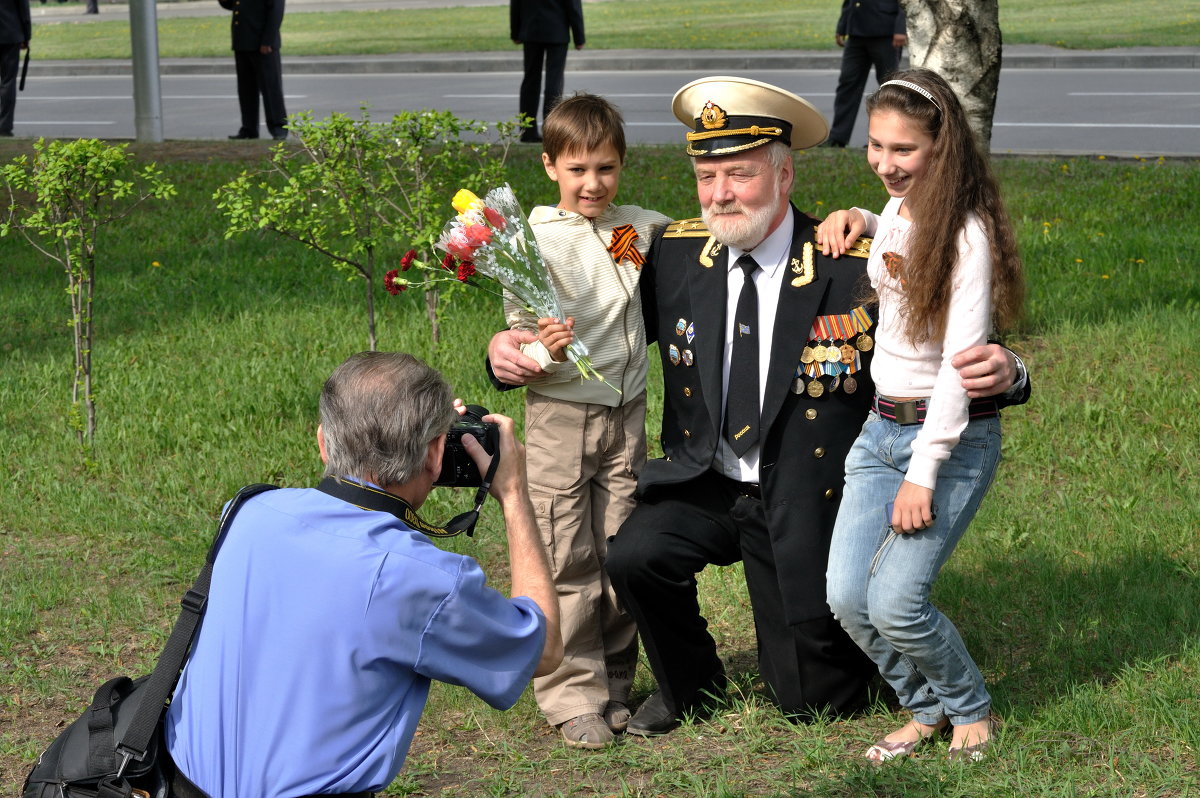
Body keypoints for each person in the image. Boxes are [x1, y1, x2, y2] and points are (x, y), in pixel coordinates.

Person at [488, 75, 1029, 737]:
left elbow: (954, 344)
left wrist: (1012, 371)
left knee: (814, 700)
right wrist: (507, 350)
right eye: (706, 176)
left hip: (803, 492)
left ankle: (863, 657)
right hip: (708, 479)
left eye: (740, 175)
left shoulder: (849, 260)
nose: (720, 195)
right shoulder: (675, 252)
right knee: (634, 553)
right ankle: (691, 685)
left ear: (784, 172)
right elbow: (598, 323)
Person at [163, 351, 562, 797]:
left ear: (322, 442)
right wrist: (513, 495)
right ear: (435, 454)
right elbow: (543, 651)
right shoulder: (421, 578)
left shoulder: (247, 512)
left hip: (178, 785)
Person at [818, 68, 1024, 763]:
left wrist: (923, 475)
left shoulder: (966, 237)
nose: (884, 163)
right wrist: (864, 219)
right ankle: (924, 706)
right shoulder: (899, 211)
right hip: (877, 434)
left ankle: (970, 708)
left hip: (946, 440)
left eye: (903, 150)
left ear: (942, 146)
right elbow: (896, 248)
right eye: (875, 146)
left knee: (898, 603)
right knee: (847, 597)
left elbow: (960, 374)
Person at [504, 93, 670, 748]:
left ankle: (617, 682)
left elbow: (695, 240)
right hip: (561, 416)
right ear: (550, 167)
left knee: (619, 549)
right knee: (565, 551)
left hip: (626, 415)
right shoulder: (529, 242)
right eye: (577, 170)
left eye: (605, 168)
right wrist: (542, 343)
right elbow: (521, 343)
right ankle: (574, 694)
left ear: (621, 166)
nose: (592, 183)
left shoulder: (632, 231)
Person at [825, 0, 907, 148]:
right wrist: (842, 26)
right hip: (856, 32)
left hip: (886, 31)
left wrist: (901, 28)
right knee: (847, 84)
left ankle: (885, 140)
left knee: (889, 88)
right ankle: (838, 138)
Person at [510, 0, 585, 144]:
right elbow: (573, 6)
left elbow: (516, 4)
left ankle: (527, 131)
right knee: (554, 82)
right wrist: (578, 36)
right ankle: (551, 132)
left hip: (531, 29)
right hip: (557, 30)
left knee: (530, 80)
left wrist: (516, 31)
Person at [220, 0, 288, 140]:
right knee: (246, 90)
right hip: (243, 42)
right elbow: (232, 4)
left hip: (263, 44)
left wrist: (267, 41)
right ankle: (249, 129)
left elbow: (276, 12)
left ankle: (278, 127)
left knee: (270, 89)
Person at [0, 0, 30, 137]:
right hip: (10, 34)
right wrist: (26, 35)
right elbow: (23, 9)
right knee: (8, 82)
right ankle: (4, 125)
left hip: (10, 34)